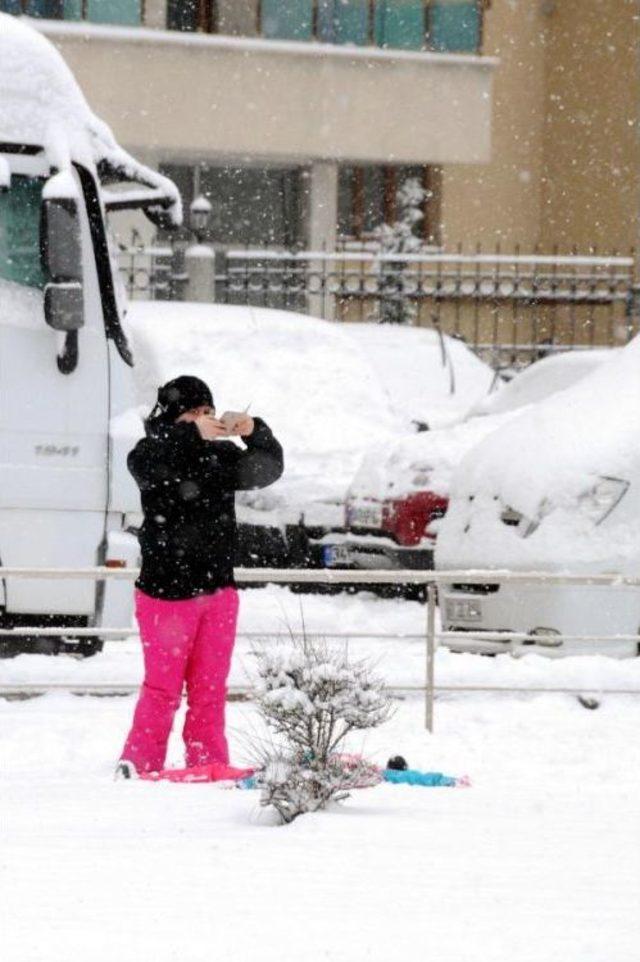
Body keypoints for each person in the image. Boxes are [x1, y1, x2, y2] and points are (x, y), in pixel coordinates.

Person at [116, 375, 284, 778]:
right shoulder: (149, 453)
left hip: (218, 591)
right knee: (162, 689)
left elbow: (267, 469)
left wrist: (255, 431)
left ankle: (209, 764)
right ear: (175, 416)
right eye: (194, 412)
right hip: (166, 594)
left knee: (211, 690)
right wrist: (191, 435)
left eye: (208, 412)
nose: (204, 419)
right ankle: (140, 764)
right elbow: (151, 464)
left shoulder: (220, 458)